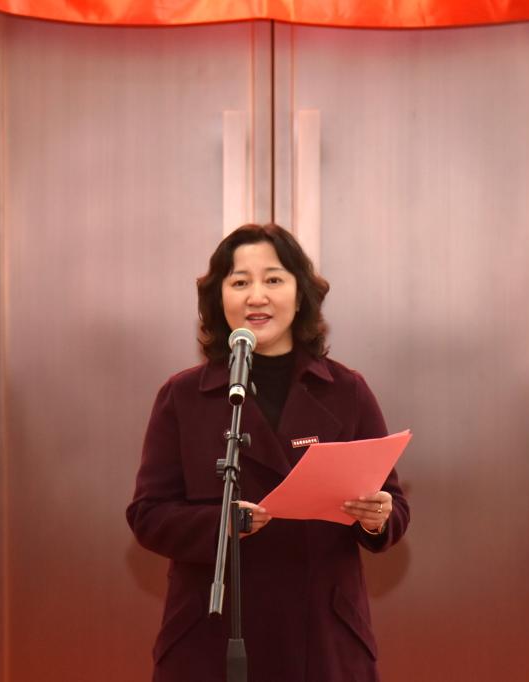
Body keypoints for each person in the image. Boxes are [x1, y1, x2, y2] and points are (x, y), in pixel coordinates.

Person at [126, 223, 410, 682]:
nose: (256, 296)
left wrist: (378, 515)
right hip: (211, 638)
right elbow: (148, 515)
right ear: (219, 298)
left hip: (321, 638)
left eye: (273, 279)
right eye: (240, 282)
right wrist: (223, 523)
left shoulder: (346, 391)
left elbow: (393, 506)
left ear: (299, 296)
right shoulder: (182, 397)